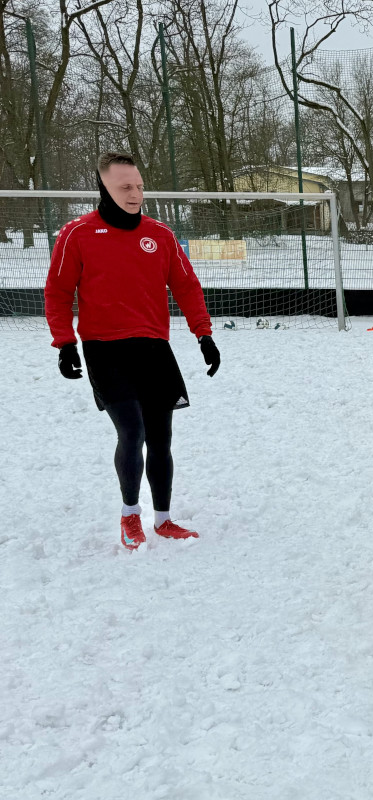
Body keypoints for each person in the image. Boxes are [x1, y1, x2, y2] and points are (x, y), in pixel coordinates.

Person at [44, 152, 220, 550]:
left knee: (161, 438)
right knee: (133, 431)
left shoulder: (160, 234)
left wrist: (203, 335)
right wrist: (65, 342)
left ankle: (163, 519)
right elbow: (57, 292)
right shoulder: (77, 233)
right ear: (104, 187)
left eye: (139, 186)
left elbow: (187, 287)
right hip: (105, 350)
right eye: (125, 187)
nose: (135, 193)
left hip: (154, 347)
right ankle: (129, 516)